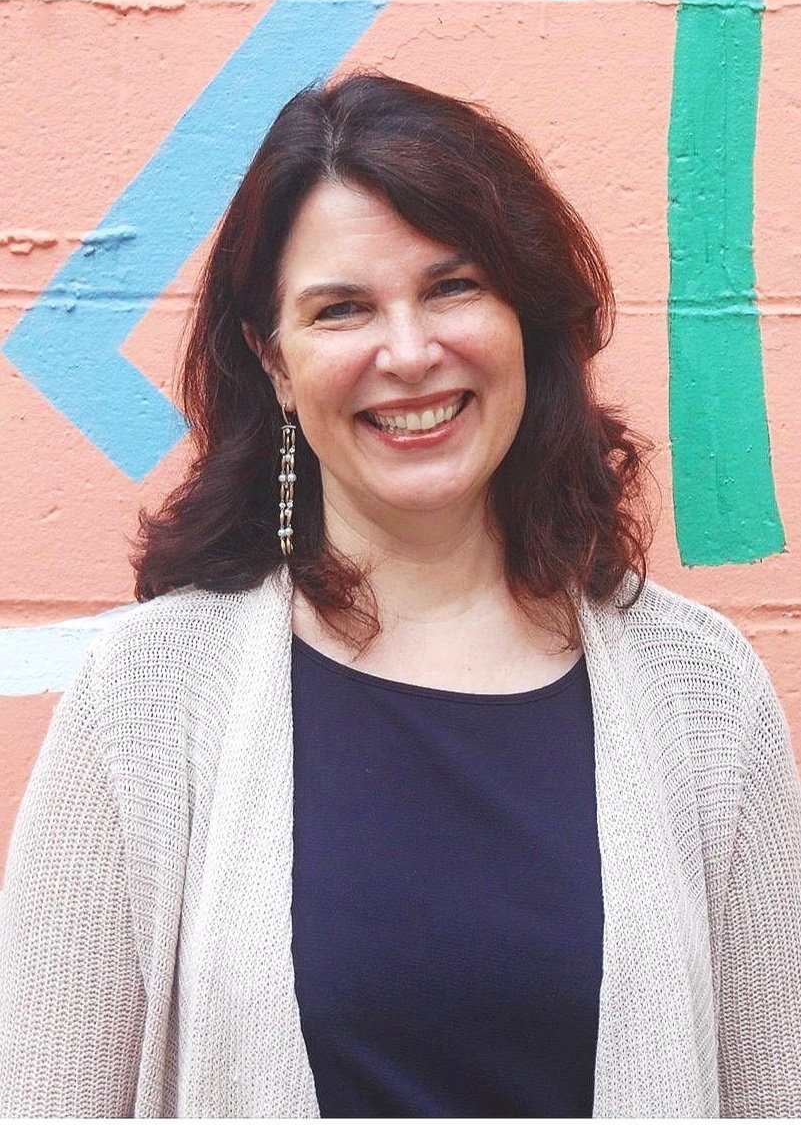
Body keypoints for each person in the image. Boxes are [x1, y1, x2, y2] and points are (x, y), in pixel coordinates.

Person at [1, 73, 800, 1119]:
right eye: (342, 309)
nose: (411, 352)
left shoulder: (700, 689)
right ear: (272, 362)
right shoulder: (146, 696)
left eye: (454, 286)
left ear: (528, 316)